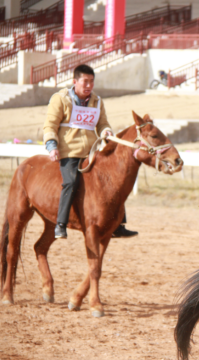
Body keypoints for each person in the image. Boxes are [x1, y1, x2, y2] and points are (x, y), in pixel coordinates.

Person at [43, 64, 138, 240]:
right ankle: (61, 224)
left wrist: (106, 132)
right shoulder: (60, 99)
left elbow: (102, 124)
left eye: (91, 82)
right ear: (75, 81)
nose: (89, 86)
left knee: (114, 180)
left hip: (92, 152)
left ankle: (119, 224)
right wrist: (51, 146)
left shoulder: (97, 101)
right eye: (85, 82)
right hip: (69, 152)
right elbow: (50, 125)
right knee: (70, 182)